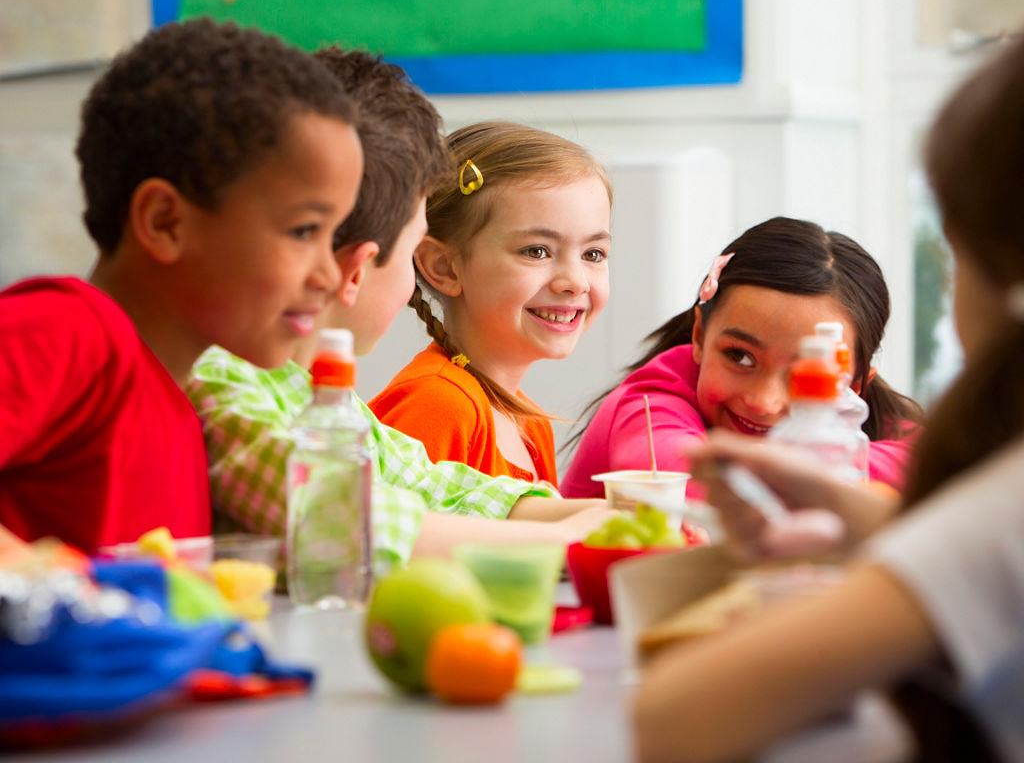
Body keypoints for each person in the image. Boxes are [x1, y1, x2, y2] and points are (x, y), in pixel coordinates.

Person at [633, 33, 1024, 763]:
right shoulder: (659, 391)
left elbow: (673, 718)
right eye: (740, 354)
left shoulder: (1004, 506)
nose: (766, 397)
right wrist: (874, 522)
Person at [187, 51, 610, 575]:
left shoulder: (296, 387)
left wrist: (589, 516)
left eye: (594, 253)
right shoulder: (217, 379)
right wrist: (563, 540)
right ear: (363, 268)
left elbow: (424, 482)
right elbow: (338, 520)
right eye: (411, 251)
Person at [0, 20, 363, 554]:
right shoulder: (68, 331)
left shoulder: (181, 414)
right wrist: (41, 575)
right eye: (304, 231)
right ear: (166, 222)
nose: (330, 274)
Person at [562, 216, 924, 497]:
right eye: (740, 357)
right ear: (700, 335)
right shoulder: (648, 405)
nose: (763, 402)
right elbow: (689, 483)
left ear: (855, 386)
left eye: (806, 376)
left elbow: (952, 476)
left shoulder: (877, 421)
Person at [369, 121, 612, 487]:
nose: (575, 281)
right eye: (536, 251)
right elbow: (397, 539)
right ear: (444, 267)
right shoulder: (438, 405)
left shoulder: (529, 422)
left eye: (593, 253)